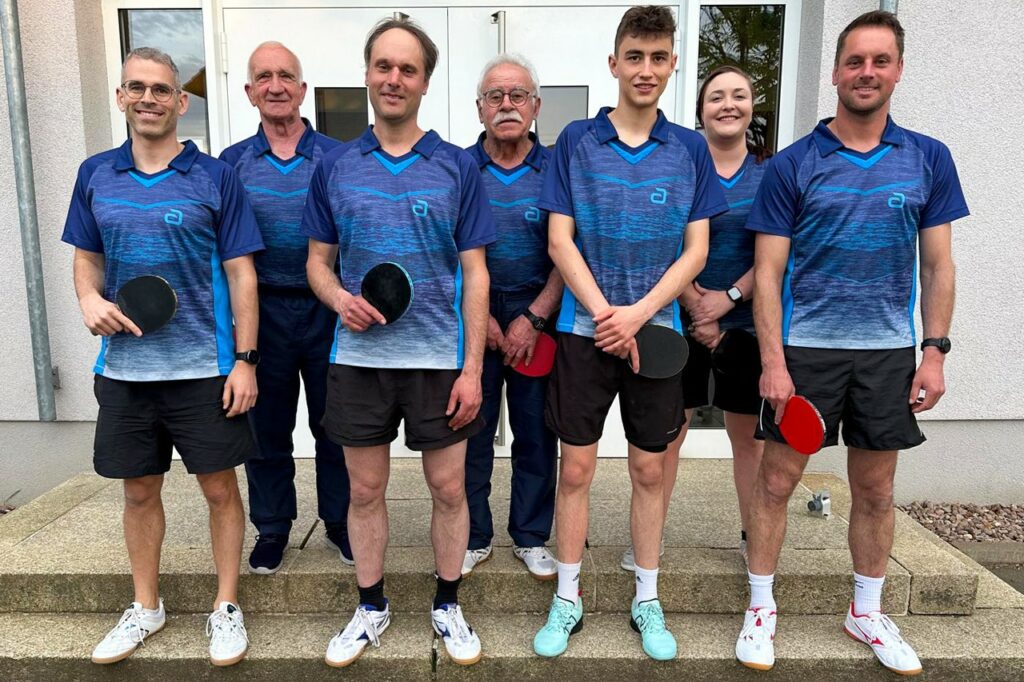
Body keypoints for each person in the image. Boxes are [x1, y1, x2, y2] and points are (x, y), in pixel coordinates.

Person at [735, 10, 968, 675]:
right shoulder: (793, 164)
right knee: (777, 482)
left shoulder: (928, 158)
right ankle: (760, 611)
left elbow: (939, 264)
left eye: (880, 60)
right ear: (836, 71)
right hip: (806, 351)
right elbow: (769, 272)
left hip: (889, 353)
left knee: (875, 489)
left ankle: (865, 611)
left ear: (897, 69)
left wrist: (934, 350)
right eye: (855, 60)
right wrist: (773, 363)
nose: (867, 72)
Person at [532, 5, 725, 662]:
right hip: (585, 335)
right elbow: (560, 239)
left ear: (673, 66)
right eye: (634, 57)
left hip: (658, 335)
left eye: (658, 57)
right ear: (613, 65)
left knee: (649, 469)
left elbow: (696, 252)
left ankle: (647, 596)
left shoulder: (690, 149)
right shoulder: (574, 145)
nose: (645, 69)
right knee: (576, 469)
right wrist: (606, 315)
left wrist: (637, 314)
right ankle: (567, 598)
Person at [302, 17, 496, 669]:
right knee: (363, 490)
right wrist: (337, 299)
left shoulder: (456, 166)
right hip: (357, 362)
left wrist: (472, 367)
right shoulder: (334, 166)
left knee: (449, 490)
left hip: (438, 362)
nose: (394, 79)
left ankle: (447, 604)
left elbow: (475, 272)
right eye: (384, 66)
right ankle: (371, 606)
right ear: (367, 74)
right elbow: (316, 263)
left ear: (424, 81)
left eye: (407, 69)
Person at [62, 47, 264, 667]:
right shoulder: (96, 173)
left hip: (205, 369)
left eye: (161, 89)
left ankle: (225, 607)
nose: (148, 98)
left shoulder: (214, 177)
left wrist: (246, 360)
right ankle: (145, 607)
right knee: (139, 492)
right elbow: (86, 257)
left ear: (182, 101)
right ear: (121, 98)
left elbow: (242, 275)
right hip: (125, 372)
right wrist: (87, 298)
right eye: (136, 88)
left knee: (220, 489)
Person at [620, 65, 769, 572]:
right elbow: (664, 240)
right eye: (716, 97)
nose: (728, 105)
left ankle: (755, 539)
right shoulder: (677, 165)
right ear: (701, 111)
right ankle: (650, 541)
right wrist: (694, 305)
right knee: (669, 436)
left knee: (748, 440)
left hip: (746, 326)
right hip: (679, 322)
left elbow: (775, 256)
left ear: (752, 107)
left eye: (740, 96)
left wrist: (727, 300)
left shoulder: (770, 177)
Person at [219, 41, 351, 575]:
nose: (276, 86)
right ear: (249, 92)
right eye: (264, 77)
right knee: (265, 429)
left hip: (328, 310)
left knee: (336, 425)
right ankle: (273, 528)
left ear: (302, 89)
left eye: (286, 76)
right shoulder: (231, 165)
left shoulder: (339, 158)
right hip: (262, 313)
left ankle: (341, 523)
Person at [461, 53, 561, 581]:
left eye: (517, 95)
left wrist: (534, 317)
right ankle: (474, 535)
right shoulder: (458, 169)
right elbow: (444, 254)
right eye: (494, 96)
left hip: (537, 314)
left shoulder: (555, 172)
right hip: (473, 318)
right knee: (470, 430)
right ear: (479, 108)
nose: (506, 105)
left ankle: (529, 534)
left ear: (535, 106)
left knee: (536, 432)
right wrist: (485, 320)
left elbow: (571, 251)